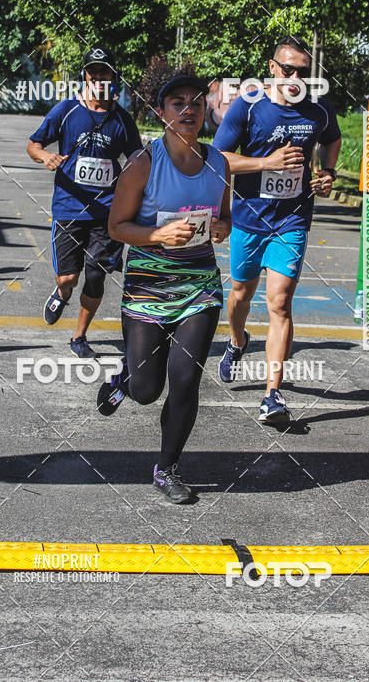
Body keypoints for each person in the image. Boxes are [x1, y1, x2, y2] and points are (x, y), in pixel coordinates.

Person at [97, 75, 231, 504]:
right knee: (146, 391)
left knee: (186, 379)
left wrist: (222, 228)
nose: (188, 110)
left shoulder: (220, 164)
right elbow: (116, 227)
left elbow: (223, 220)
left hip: (199, 286)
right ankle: (124, 380)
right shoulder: (143, 163)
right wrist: (158, 235)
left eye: (195, 102)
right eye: (178, 103)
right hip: (148, 286)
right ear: (162, 113)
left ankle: (167, 468)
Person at [213, 35, 341, 425]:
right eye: (288, 69)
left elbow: (333, 140)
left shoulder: (319, 111)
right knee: (239, 293)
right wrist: (265, 163)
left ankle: (273, 395)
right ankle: (237, 340)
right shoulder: (248, 108)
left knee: (280, 302)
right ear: (272, 68)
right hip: (249, 219)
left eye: (303, 71)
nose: (295, 77)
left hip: (292, 219)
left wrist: (328, 172)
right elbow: (217, 159)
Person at [27, 47, 142, 358]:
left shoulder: (122, 119)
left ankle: (79, 336)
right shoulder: (65, 110)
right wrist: (45, 156)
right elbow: (33, 144)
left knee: (95, 274)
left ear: (113, 78)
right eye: (93, 73)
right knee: (68, 278)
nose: (99, 78)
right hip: (69, 207)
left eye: (104, 73)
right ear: (86, 78)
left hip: (106, 211)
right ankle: (62, 293)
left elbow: (136, 160)